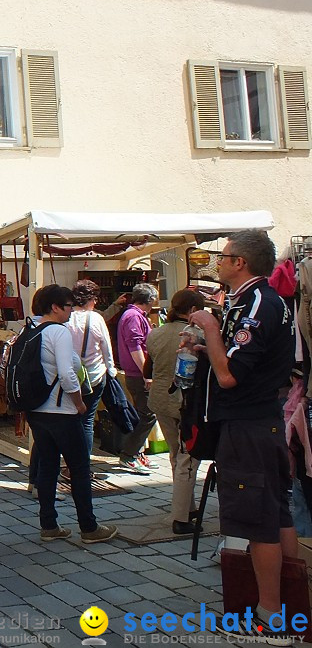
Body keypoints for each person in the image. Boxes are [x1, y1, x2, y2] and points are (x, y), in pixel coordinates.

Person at [189, 231, 297, 643]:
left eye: (224, 255)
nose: (218, 261)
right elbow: (238, 363)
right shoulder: (262, 299)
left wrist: (210, 329)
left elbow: (230, 376)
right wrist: (206, 347)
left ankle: (269, 616)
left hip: (248, 426)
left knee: (258, 519)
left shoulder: (255, 302)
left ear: (240, 263)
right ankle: (289, 598)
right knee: (276, 510)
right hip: (260, 421)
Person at [26, 284, 118, 544]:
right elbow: (67, 373)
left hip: (37, 410)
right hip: (62, 411)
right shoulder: (58, 332)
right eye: (68, 306)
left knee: (47, 467)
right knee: (79, 468)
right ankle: (89, 528)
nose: (71, 311)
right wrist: (79, 403)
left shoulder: (28, 329)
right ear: (55, 307)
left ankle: (49, 525)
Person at [145, 288, 205, 535]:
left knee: (176, 454)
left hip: (161, 398)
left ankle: (187, 507)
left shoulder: (155, 333)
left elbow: (148, 369)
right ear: (193, 310)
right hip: (186, 401)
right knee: (188, 458)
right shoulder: (198, 335)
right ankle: (181, 517)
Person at [67, 280, 117, 463]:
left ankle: (70, 461)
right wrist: (111, 370)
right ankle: (82, 464)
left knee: (70, 420)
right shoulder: (96, 318)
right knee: (87, 421)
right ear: (92, 299)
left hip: (70, 377)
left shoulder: (66, 318)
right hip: (94, 376)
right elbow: (106, 347)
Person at [116, 283, 160, 474]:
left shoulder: (134, 315)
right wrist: (146, 374)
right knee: (147, 415)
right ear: (150, 300)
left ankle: (137, 453)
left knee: (142, 414)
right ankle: (129, 454)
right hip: (137, 374)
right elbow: (135, 346)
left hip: (136, 372)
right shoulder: (133, 317)